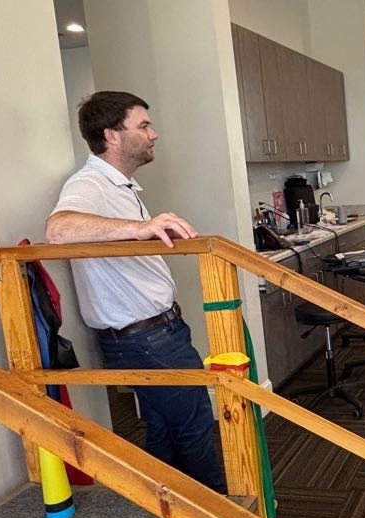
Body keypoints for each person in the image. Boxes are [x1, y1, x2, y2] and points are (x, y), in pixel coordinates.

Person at [46, 91, 227, 493]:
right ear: (112, 135)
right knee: (195, 424)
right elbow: (58, 230)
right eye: (143, 125)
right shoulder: (89, 182)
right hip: (144, 341)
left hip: (160, 333)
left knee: (165, 431)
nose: (154, 134)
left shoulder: (122, 187)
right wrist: (139, 229)